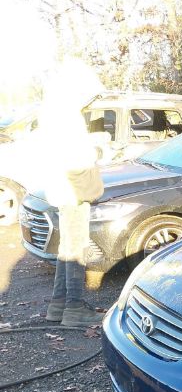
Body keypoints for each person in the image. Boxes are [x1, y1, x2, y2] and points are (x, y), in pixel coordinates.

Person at [36, 59, 105, 326]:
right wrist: (95, 152)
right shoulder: (66, 114)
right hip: (73, 189)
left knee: (66, 248)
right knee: (75, 249)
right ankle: (75, 309)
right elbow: (77, 159)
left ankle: (59, 305)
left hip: (60, 188)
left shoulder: (50, 110)